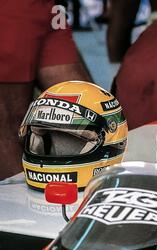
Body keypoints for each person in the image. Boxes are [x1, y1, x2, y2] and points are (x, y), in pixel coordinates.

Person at [0, 0, 91, 181]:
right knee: (9, 122)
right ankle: (22, 206)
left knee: (90, 110)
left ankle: (107, 197)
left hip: (46, 6)